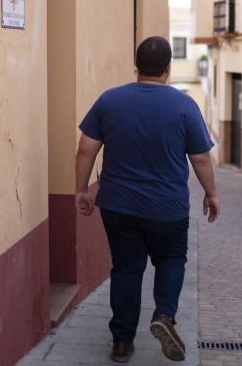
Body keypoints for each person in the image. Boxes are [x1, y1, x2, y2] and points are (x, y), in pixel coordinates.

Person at [74, 36, 219, 363]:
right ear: (168, 69)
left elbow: (86, 148)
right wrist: (211, 193)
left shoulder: (110, 100)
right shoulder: (184, 106)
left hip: (118, 204)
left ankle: (122, 342)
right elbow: (201, 159)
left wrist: (81, 189)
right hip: (167, 208)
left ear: (136, 66)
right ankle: (164, 315)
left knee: (126, 269)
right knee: (171, 259)